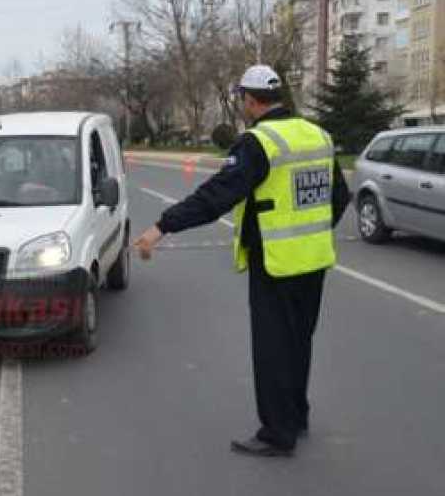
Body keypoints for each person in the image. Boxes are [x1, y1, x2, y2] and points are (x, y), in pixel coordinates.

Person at [134, 65, 351, 458]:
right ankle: (296, 416)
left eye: (243, 101)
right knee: (299, 342)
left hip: (276, 262)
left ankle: (277, 434)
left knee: (272, 349)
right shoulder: (318, 134)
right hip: (315, 260)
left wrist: (162, 226)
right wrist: (314, 232)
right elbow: (339, 197)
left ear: (250, 100)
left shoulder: (258, 142)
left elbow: (215, 196)